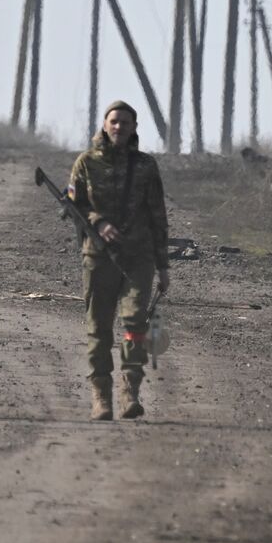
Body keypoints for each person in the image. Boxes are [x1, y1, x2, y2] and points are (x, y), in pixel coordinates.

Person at [68, 100, 170, 421]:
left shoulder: (146, 166)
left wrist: (164, 265)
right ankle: (101, 396)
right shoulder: (85, 163)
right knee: (98, 327)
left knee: (135, 322)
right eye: (114, 121)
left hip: (139, 257)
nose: (119, 127)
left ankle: (130, 391)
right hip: (99, 257)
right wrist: (98, 221)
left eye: (125, 122)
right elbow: (74, 206)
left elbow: (158, 216)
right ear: (104, 124)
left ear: (134, 127)